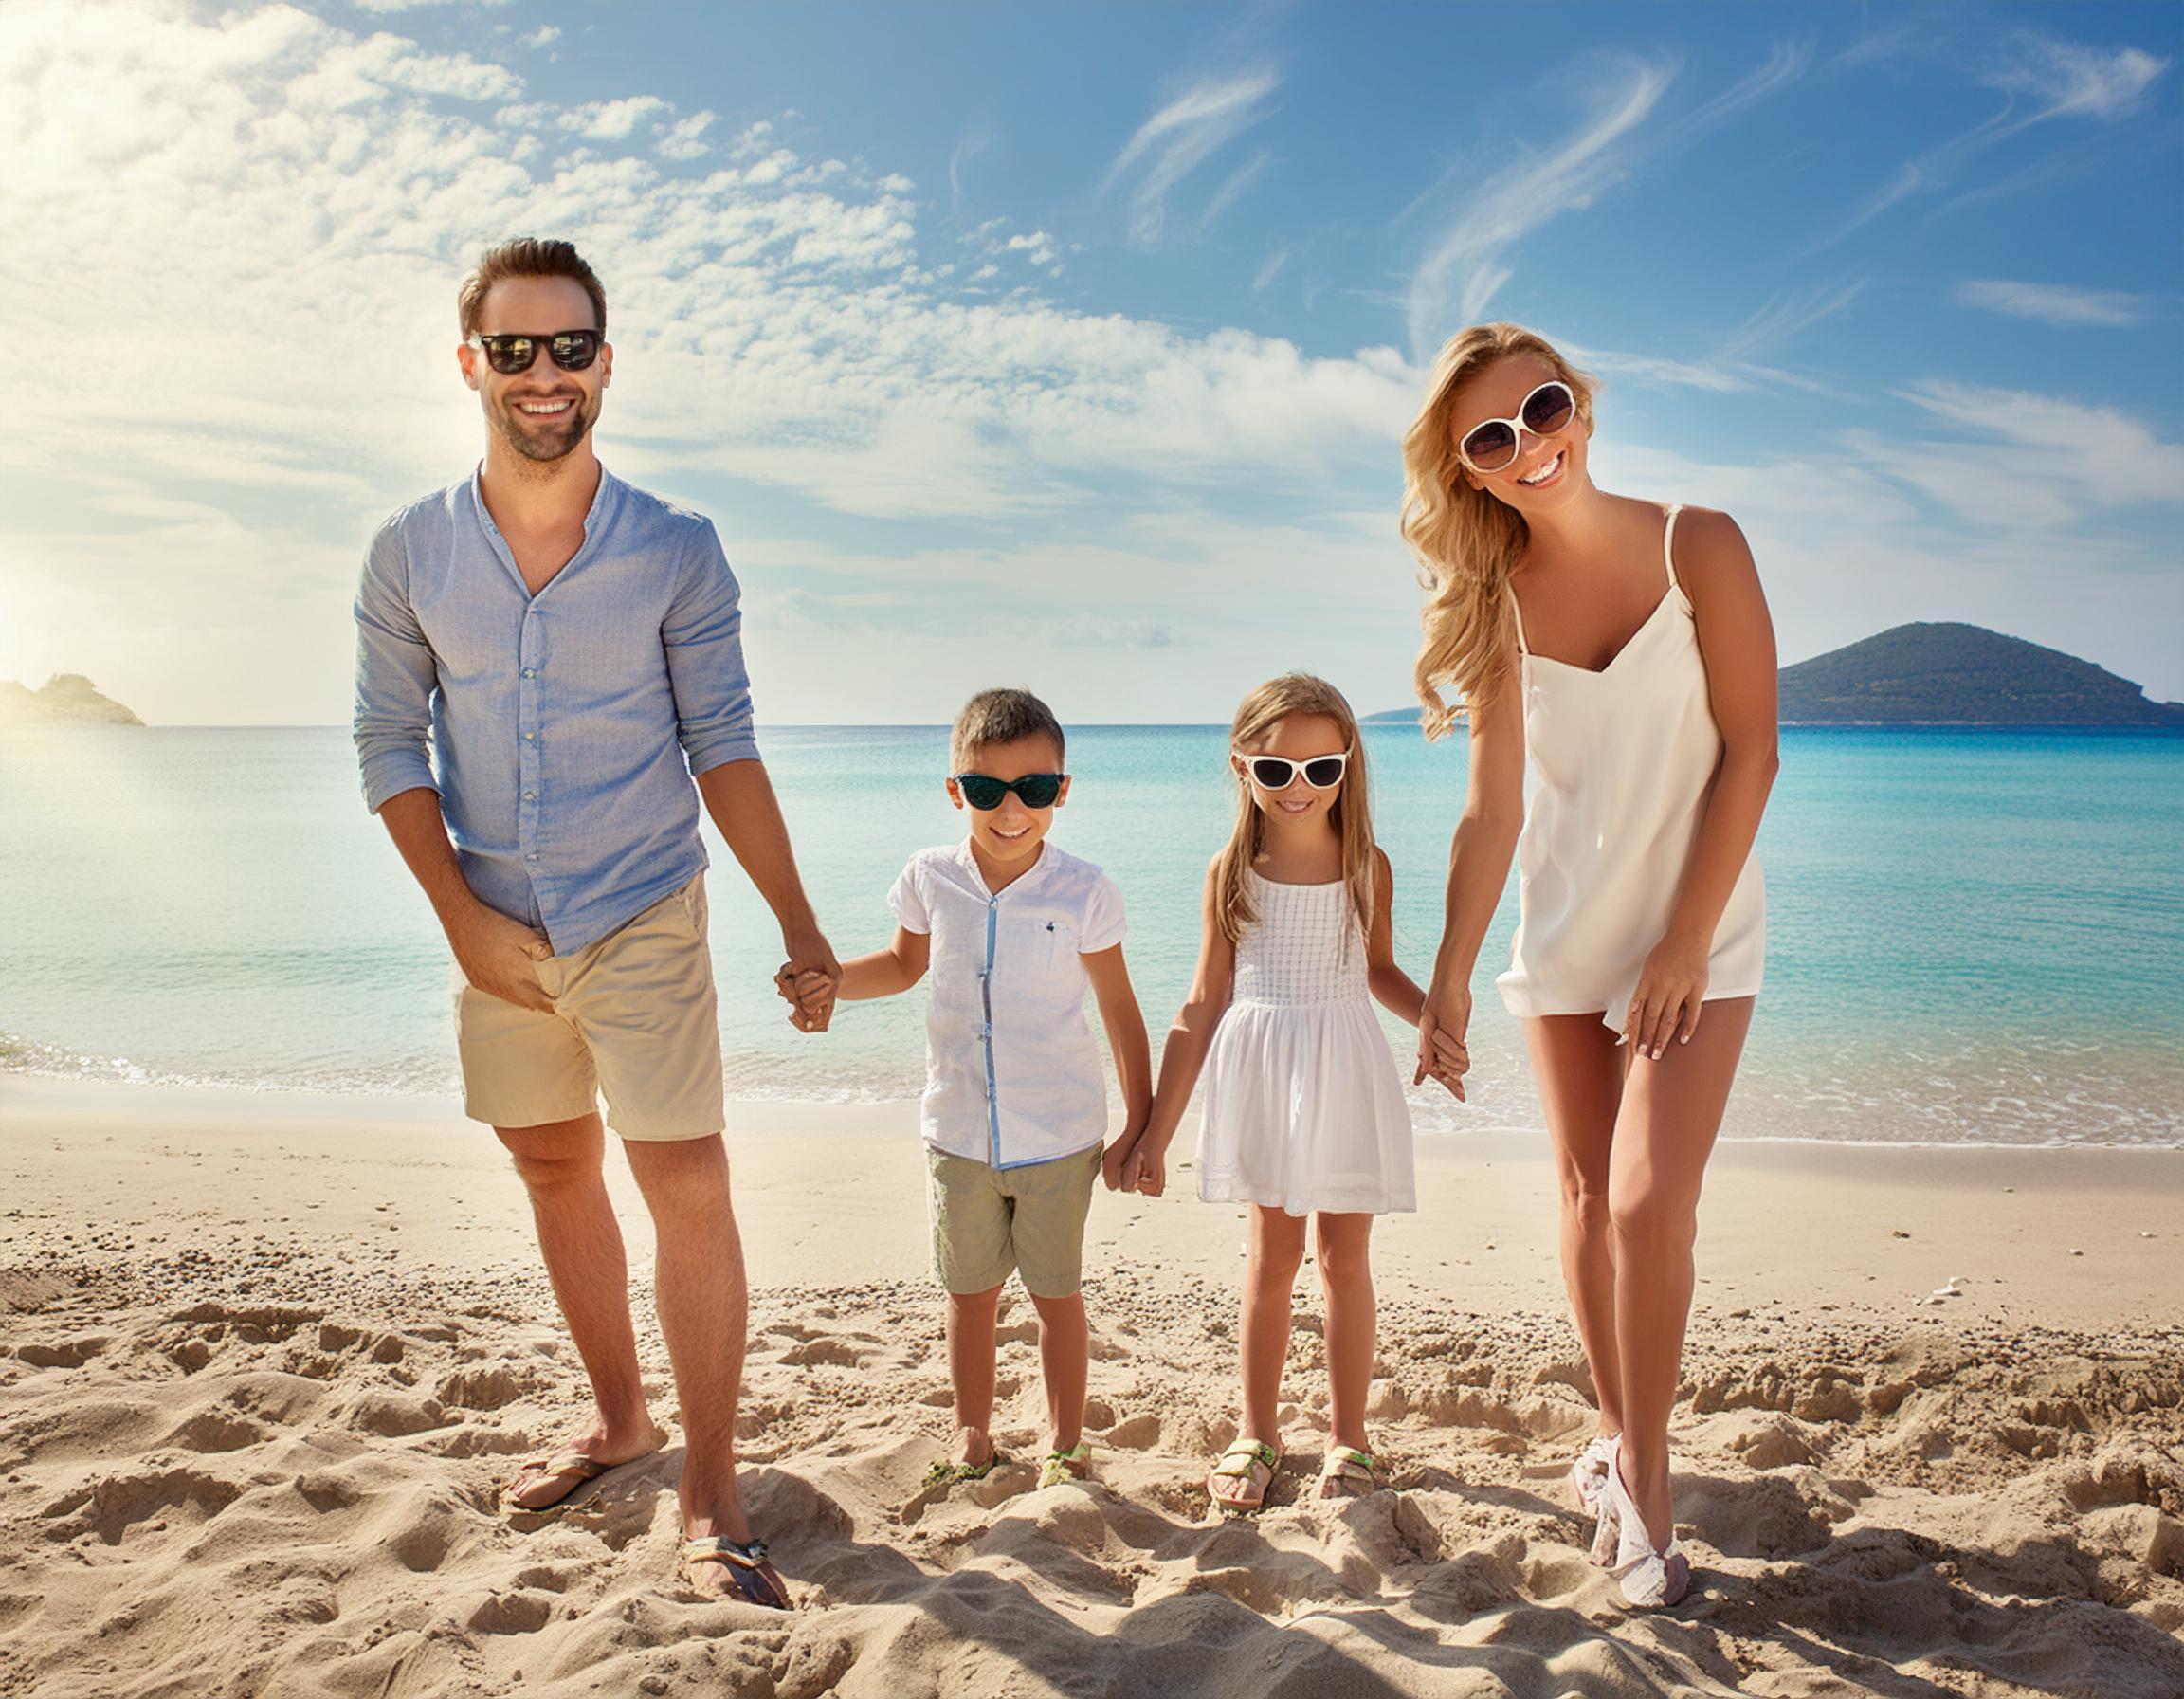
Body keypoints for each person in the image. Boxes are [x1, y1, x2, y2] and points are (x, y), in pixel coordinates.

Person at [352, 236, 840, 1609]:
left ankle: (713, 1487)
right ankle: (622, 1422)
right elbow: (388, 743)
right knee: (553, 1173)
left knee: (687, 1184)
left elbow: (723, 746)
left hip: (643, 913)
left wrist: (798, 922)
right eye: (516, 349)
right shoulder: (410, 550)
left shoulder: (677, 547)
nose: (545, 374)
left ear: (606, 365)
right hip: (494, 922)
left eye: (570, 347)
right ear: (472, 367)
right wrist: (457, 918)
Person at [1403, 323, 1775, 1607]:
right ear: (1471, 474)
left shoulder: (1700, 543)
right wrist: (1449, 978)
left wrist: (1684, 937)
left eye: (1542, 409)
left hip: (1700, 935)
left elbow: (1752, 756)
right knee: (1578, 1198)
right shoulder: (1496, 605)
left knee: (1641, 1204)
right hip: (1568, 941)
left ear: (1583, 406)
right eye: (1491, 440)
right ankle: (1618, 1439)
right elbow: (1492, 812)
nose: (1529, 446)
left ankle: (1650, 1496)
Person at [782, 688, 1151, 1489]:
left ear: (1062, 790)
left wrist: (1140, 1126)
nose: (1010, 808)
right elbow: (904, 966)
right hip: (956, 1131)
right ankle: (972, 1437)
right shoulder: (929, 877)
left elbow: (1122, 1012)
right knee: (970, 1293)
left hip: (1059, 1134)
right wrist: (827, 983)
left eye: (1034, 789)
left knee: (1057, 1296)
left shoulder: (1084, 890)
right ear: (956, 791)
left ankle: (1064, 1446)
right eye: (986, 790)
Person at [1115, 674, 1438, 1512]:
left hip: (1344, 1065)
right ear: (1242, 767)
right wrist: (1152, 1129)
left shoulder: (1369, 865)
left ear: (1348, 766)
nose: (1299, 788)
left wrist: (1435, 1021)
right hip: (1263, 1069)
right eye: (1277, 769)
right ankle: (1257, 1432)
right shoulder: (1232, 871)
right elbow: (1201, 1003)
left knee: (1344, 1261)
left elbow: (1376, 973)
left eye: (1321, 769)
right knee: (1271, 1261)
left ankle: (1349, 1440)